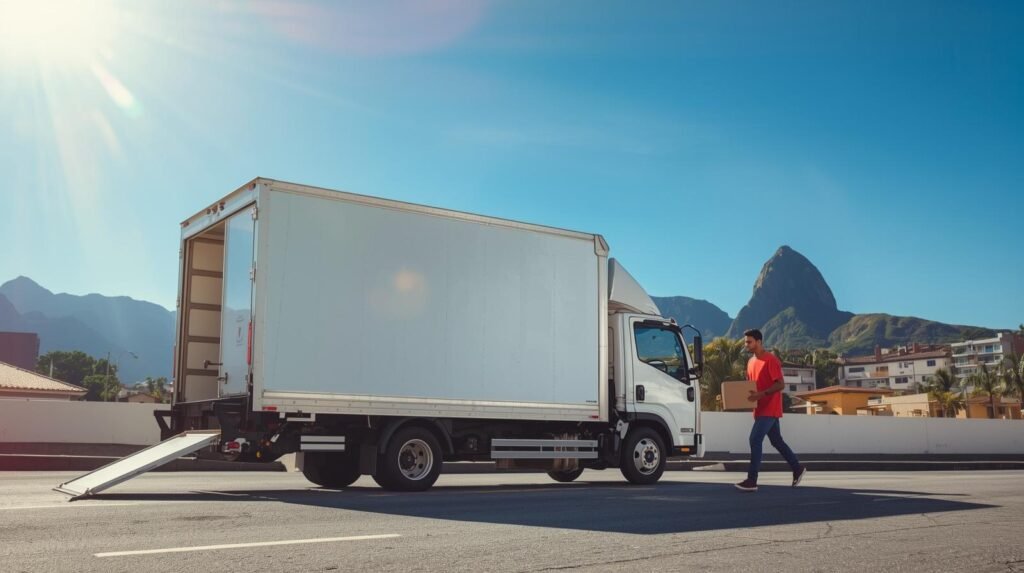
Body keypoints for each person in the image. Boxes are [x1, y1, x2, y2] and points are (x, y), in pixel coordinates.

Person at [734, 328, 806, 492]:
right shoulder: (751, 362)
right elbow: (750, 386)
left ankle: (752, 480)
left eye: (749, 342)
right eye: (745, 342)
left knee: (754, 439)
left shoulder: (770, 360)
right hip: (759, 409)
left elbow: (780, 384)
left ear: (759, 342)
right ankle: (797, 468)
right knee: (776, 441)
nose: (746, 345)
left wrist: (762, 394)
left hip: (770, 408)